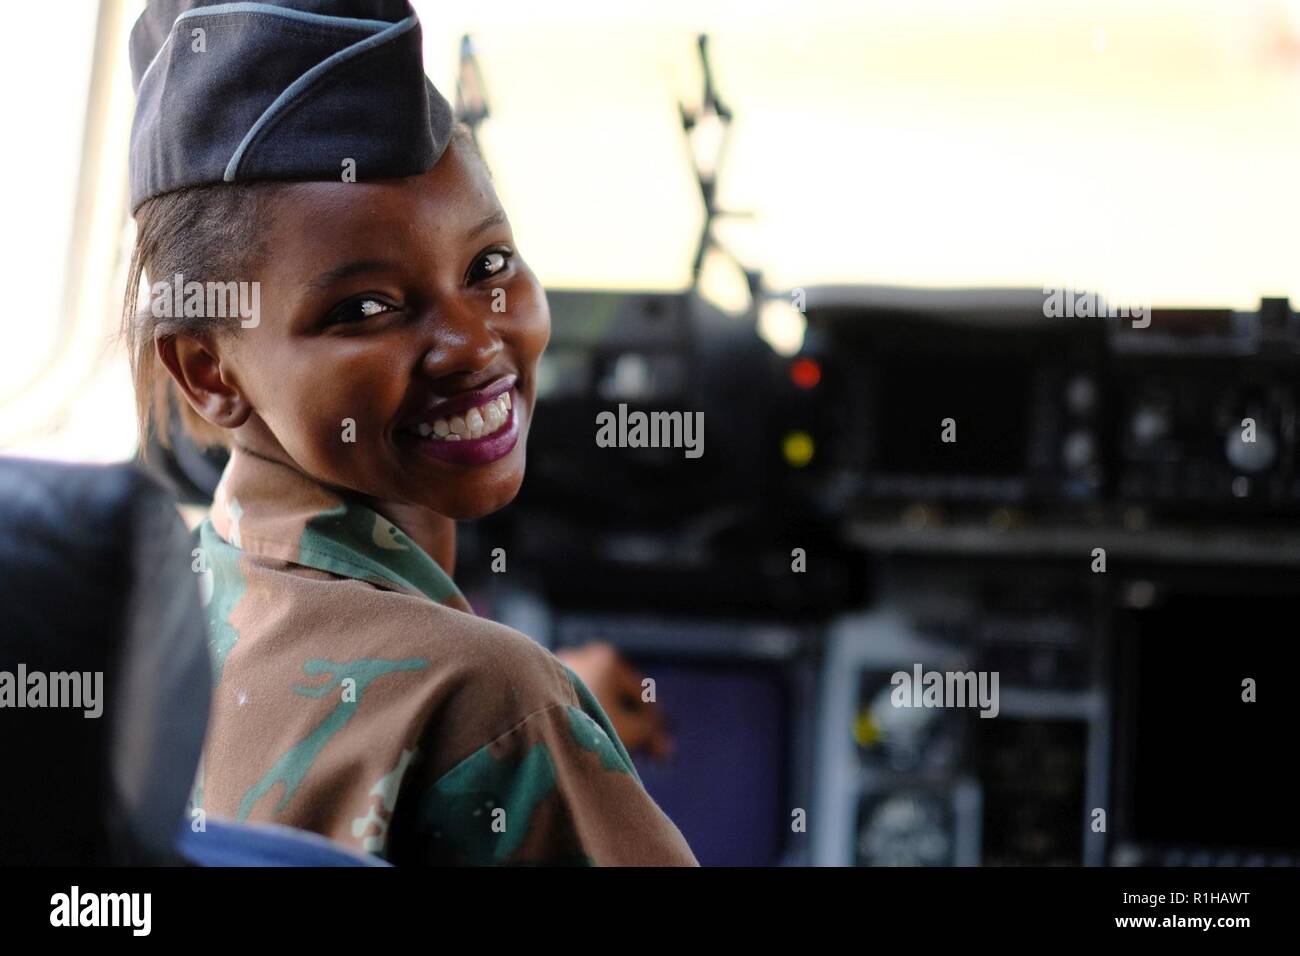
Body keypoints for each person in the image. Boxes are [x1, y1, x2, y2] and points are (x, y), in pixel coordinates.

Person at [121, 0, 695, 865]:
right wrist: (531, 717)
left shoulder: (152, 631)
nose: (473, 343)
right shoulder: (494, 705)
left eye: (488, 267)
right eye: (367, 308)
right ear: (208, 370)